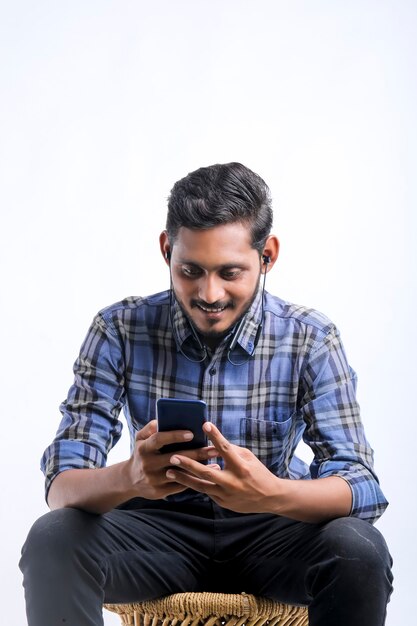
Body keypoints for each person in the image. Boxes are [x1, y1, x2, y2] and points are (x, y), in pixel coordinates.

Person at [20, 162, 393, 626]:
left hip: (272, 533)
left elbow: (361, 485)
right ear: (166, 250)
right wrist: (131, 478)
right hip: (155, 535)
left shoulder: (309, 338)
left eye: (230, 272)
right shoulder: (118, 329)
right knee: (52, 538)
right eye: (190, 270)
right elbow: (61, 484)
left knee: (358, 551)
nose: (208, 293)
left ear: (268, 256)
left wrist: (270, 493)